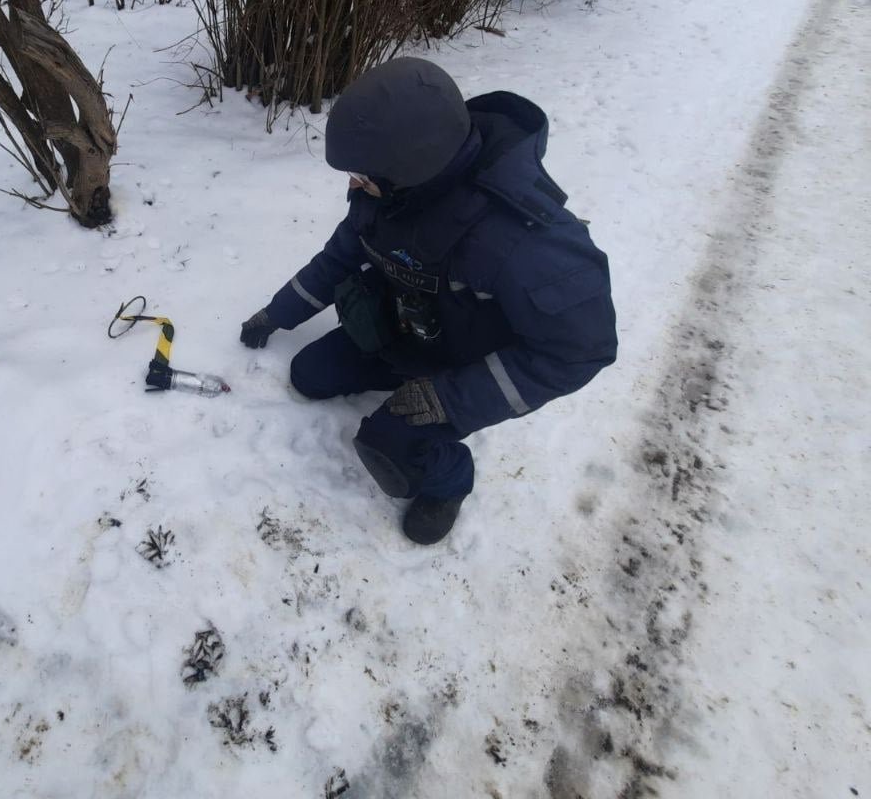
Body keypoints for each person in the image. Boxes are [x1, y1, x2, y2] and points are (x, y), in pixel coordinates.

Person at [239, 58, 617, 545]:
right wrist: (277, 313)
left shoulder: (524, 241)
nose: (353, 183)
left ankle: (450, 480)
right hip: (405, 331)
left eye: (361, 173)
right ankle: (401, 375)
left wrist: (451, 397)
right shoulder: (389, 194)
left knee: (385, 448)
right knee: (309, 375)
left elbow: (580, 351)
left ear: (410, 164)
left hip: (461, 366)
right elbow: (339, 256)